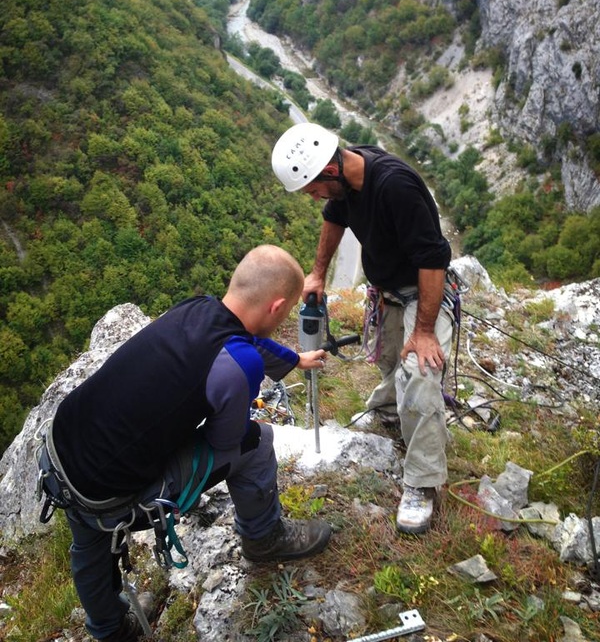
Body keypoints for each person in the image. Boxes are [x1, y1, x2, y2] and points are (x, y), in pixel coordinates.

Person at [36, 245, 331, 642]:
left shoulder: (197, 307)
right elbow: (226, 440)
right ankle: (264, 538)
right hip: (112, 498)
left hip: (62, 454)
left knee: (88, 540)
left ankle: (107, 629)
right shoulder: (239, 364)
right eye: (286, 312)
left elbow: (241, 338)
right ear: (278, 307)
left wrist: (293, 360)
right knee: (255, 442)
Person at [271, 123, 454, 536]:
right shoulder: (348, 174)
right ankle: (391, 413)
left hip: (425, 292)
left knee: (420, 373)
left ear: (329, 171)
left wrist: (424, 329)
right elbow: (334, 217)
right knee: (391, 361)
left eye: (313, 188)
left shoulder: (394, 187)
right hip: (389, 289)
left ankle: (422, 483)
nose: (314, 196)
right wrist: (317, 273)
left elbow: (432, 258)